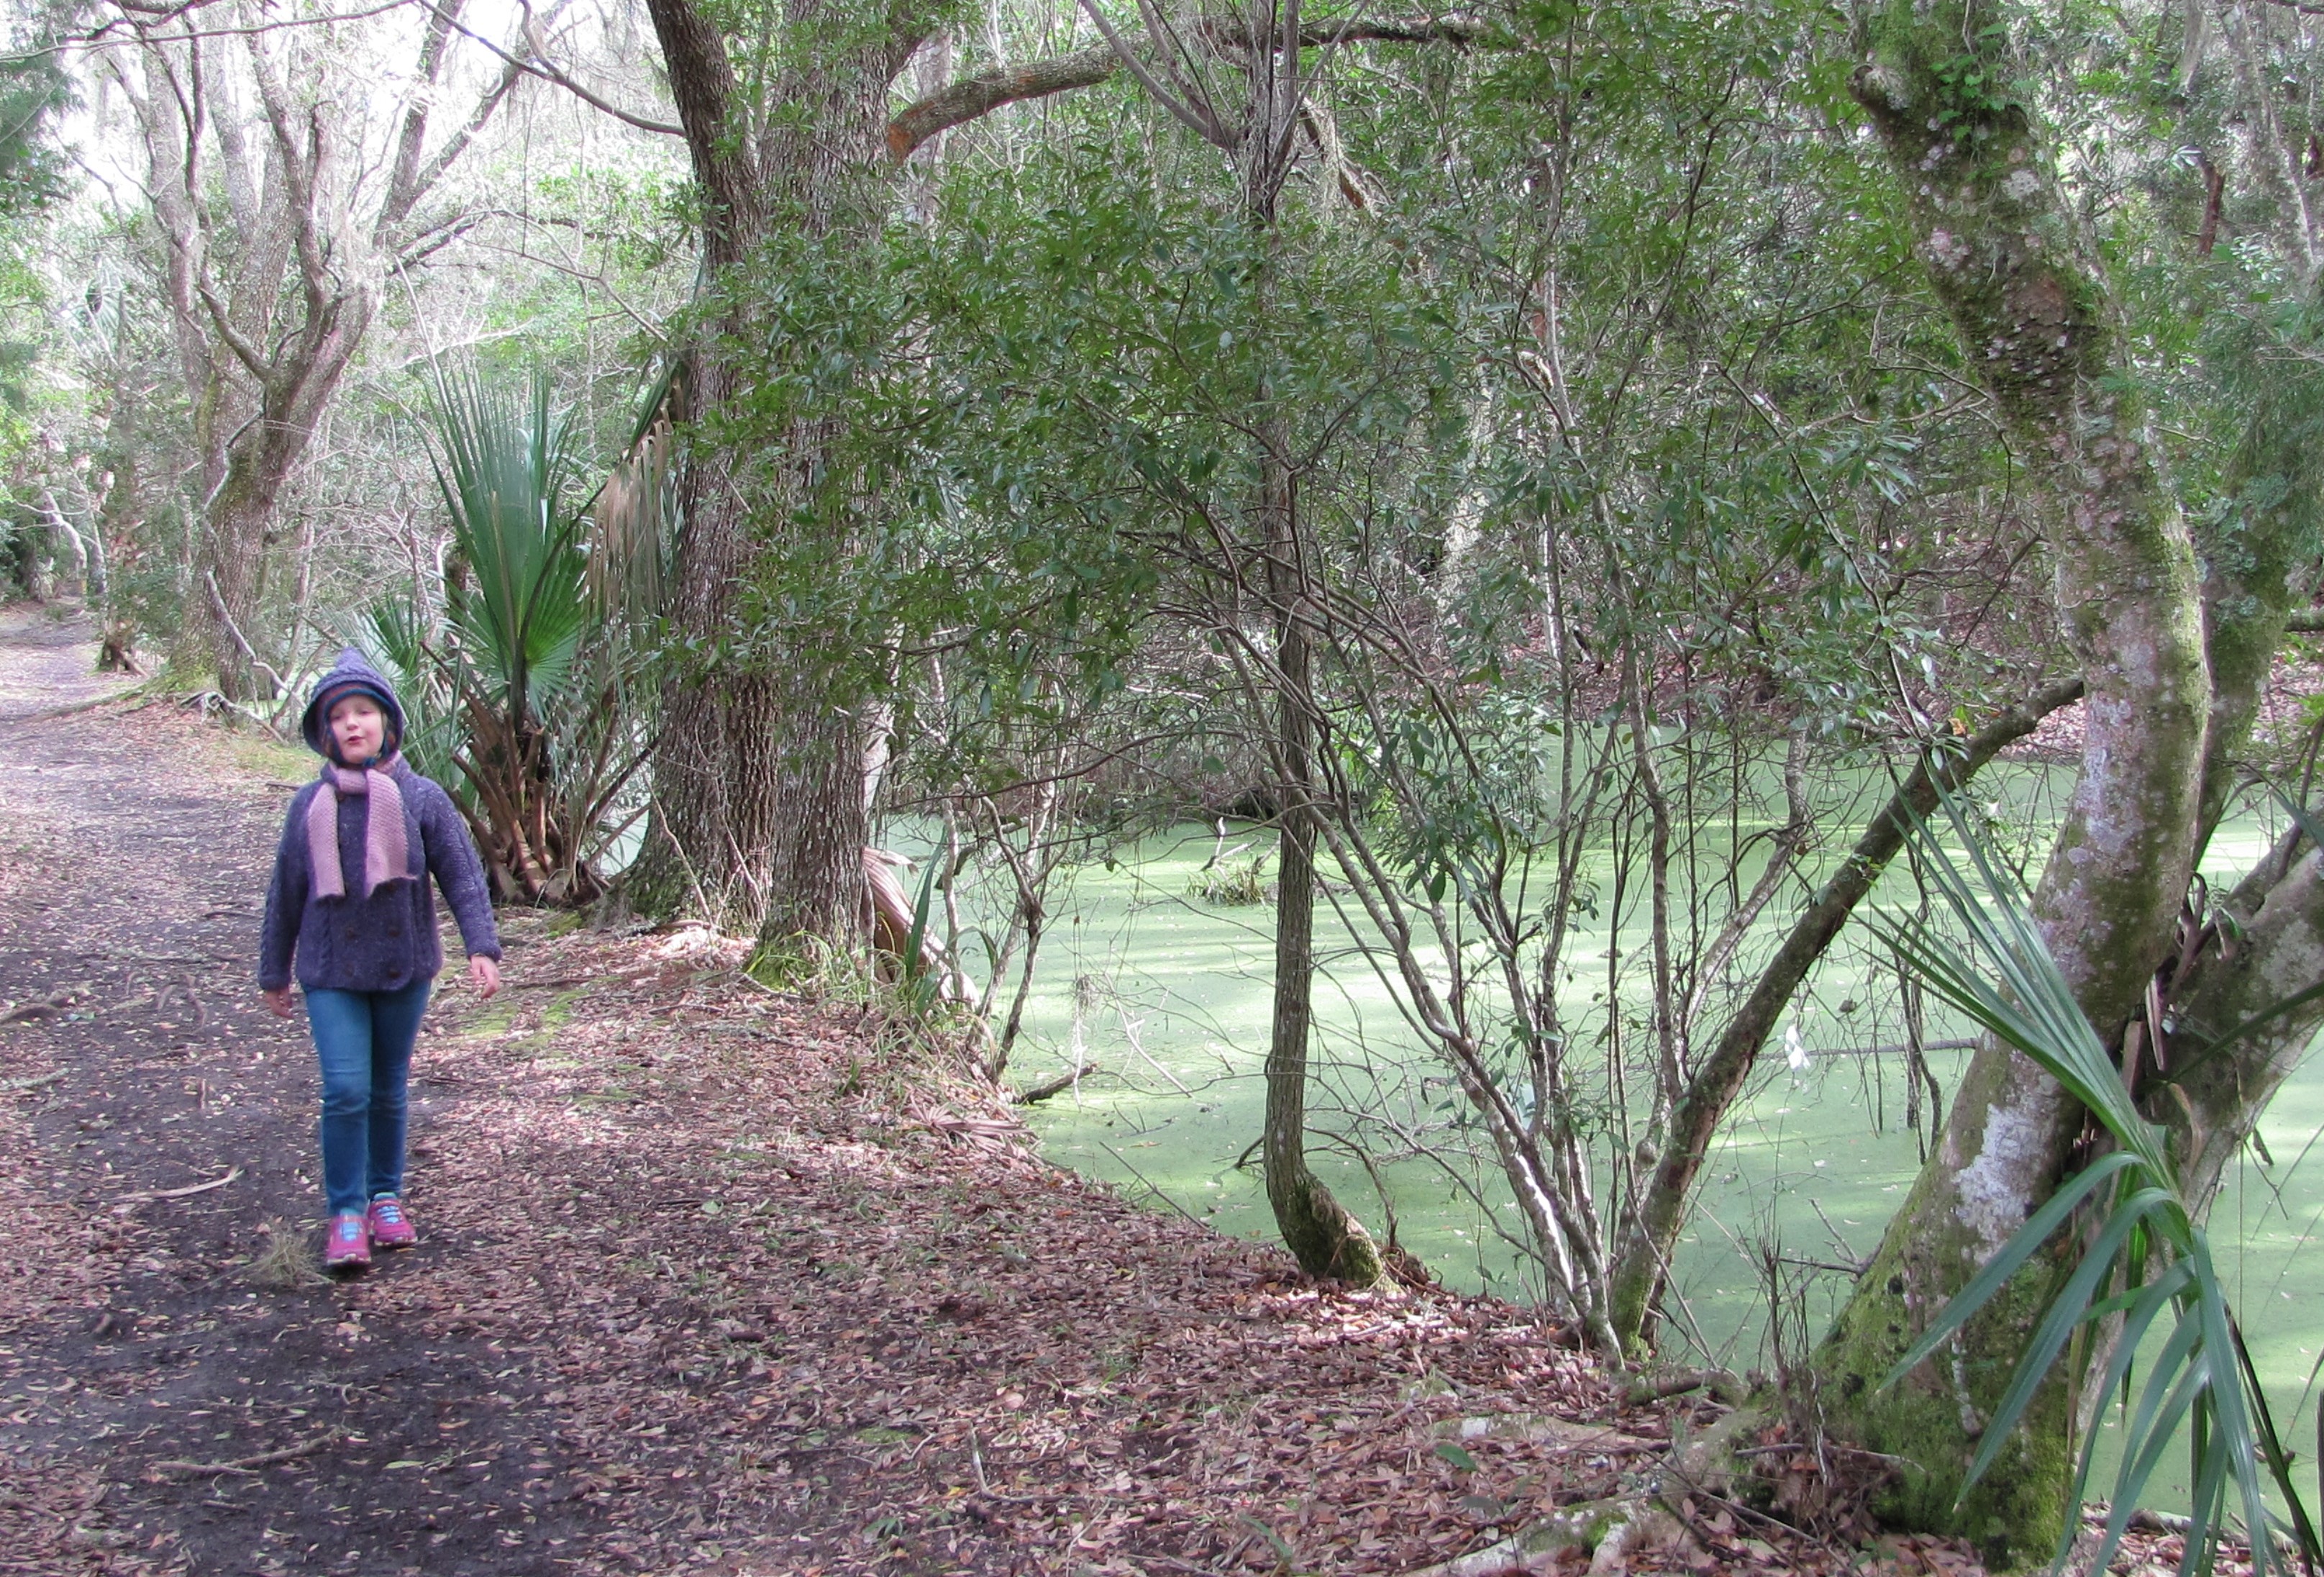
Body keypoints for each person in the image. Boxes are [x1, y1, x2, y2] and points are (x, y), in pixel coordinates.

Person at [258, 648, 502, 1271]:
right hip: (329, 969)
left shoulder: (420, 798)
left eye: (364, 712)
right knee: (345, 1090)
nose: (353, 725)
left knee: (389, 1089)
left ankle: (385, 1198)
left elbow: (463, 876)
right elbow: (286, 889)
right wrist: (273, 972)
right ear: (325, 730)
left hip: (403, 965)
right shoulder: (308, 804)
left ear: (387, 723)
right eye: (340, 716)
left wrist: (482, 947)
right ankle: (345, 1211)